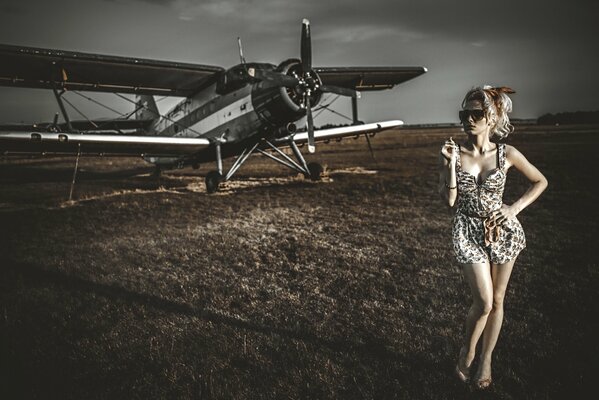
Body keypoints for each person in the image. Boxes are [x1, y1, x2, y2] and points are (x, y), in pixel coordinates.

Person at [438, 86, 548, 389]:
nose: (468, 120)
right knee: (484, 302)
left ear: (491, 118)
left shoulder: (506, 153)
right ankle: (468, 351)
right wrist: (449, 167)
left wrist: (514, 209)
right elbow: (449, 202)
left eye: (476, 114)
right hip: (468, 231)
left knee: (498, 300)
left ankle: (486, 360)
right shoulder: (454, 153)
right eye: (465, 114)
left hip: (502, 231)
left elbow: (540, 181)